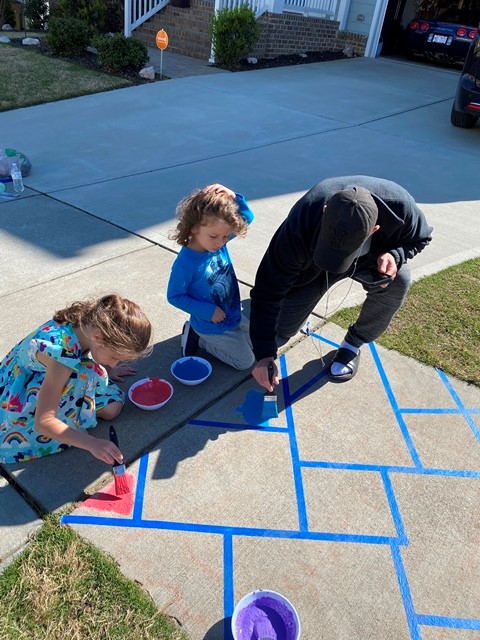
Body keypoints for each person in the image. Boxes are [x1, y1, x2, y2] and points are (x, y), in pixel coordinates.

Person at [249, 175, 433, 389]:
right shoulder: (305, 216)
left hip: (369, 263)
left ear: (374, 229)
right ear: (325, 210)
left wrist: (396, 255)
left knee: (399, 280)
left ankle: (353, 344)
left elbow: (421, 238)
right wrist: (264, 354)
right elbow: (267, 290)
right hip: (312, 269)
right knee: (283, 327)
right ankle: (300, 302)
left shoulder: (401, 208)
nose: (336, 263)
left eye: (344, 254)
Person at [0, 294, 152, 465]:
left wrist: (111, 368)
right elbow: (43, 422)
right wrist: (92, 443)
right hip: (16, 400)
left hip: (36, 378)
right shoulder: (62, 359)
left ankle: (76, 407)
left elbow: (96, 350)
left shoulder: (86, 323)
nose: (114, 362)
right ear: (98, 337)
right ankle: (70, 417)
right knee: (110, 407)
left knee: (111, 406)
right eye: (114, 356)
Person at [167, 183, 255, 370]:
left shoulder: (216, 240)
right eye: (215, 236)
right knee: (245, 362)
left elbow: (247, 217)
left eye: (225, 237)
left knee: (259, 344)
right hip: (210, 324)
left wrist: (233, 196)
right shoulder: (185, 264)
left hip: (231, 312)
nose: (221, 242)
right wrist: (208, 312)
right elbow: (174, 296)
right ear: (193, 227)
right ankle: (198, 339)